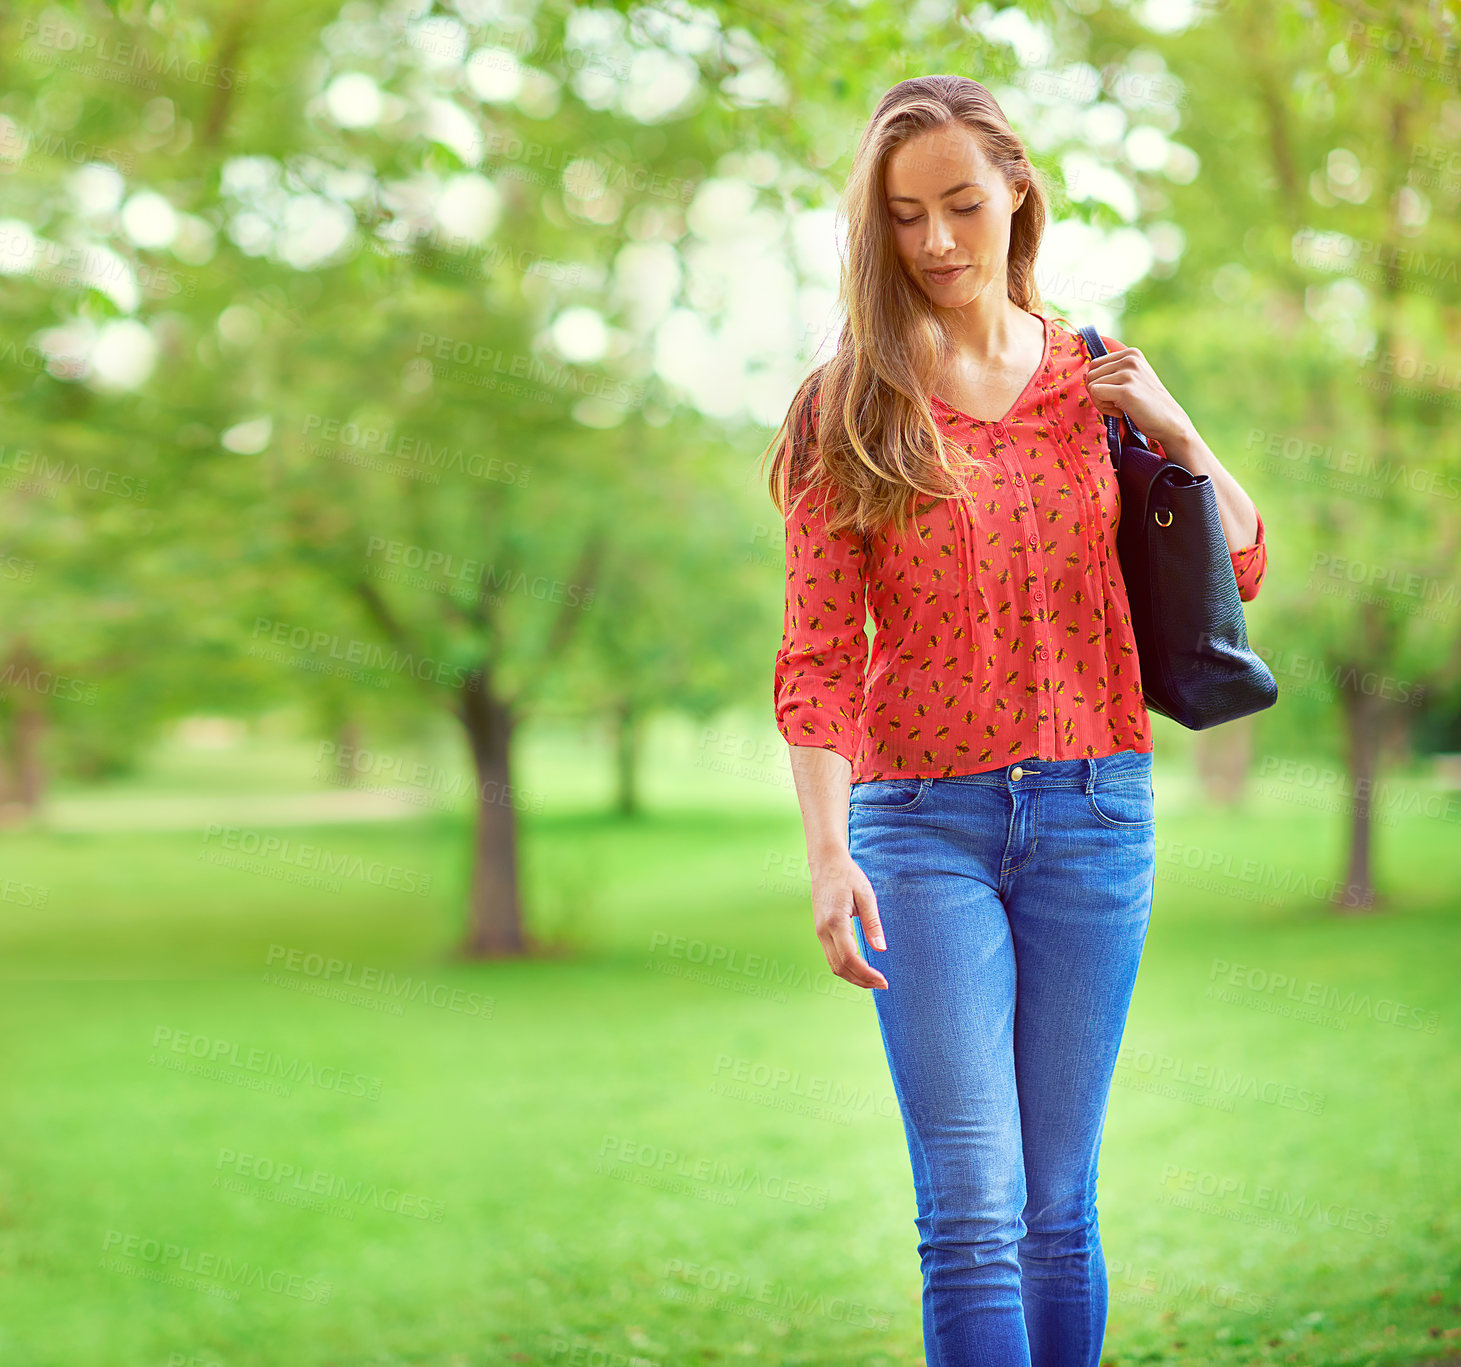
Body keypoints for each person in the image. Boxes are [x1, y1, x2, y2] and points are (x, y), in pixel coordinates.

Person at [764, 76, 1268, 1367]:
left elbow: (1245, 561)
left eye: (960, 206)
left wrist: (1171, 425)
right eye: (903, 216)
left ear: (1016, 198)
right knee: (972, 1215)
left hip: (1093, 816)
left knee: (1056, 1210)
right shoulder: (849, 406)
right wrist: (828, 856)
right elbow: (818, 662)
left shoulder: (1090, 380)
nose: (934, 242)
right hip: (919, 831)